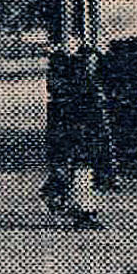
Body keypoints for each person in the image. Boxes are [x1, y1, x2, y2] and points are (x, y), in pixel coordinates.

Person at [40, 40, 116, 229]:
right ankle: (81, 208)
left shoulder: (92, 59)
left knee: (82, 161)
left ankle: (67, 197)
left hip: (85, 117)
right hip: (72, 116)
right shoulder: (63, 64)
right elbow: (59, 90)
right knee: (78, 161)